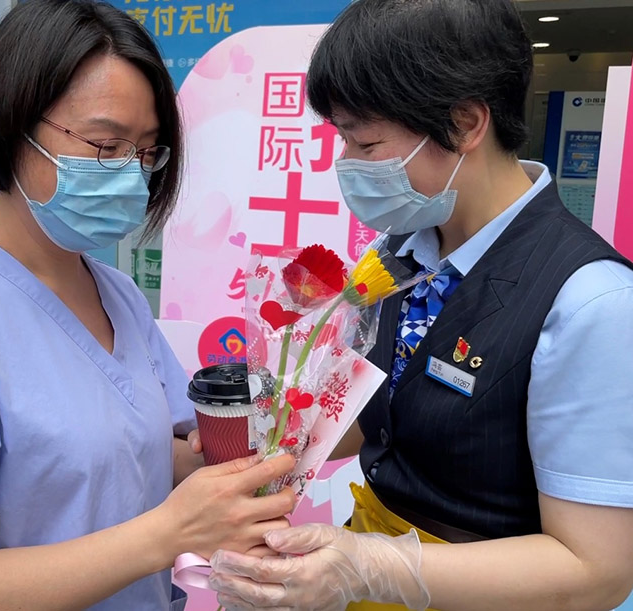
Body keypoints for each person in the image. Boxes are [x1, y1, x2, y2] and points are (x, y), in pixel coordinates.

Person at [0, 2, 295, 610]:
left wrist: (268, 454)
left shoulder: (118, 295)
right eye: (106, 146)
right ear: (13, 127)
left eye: (146, 153)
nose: (130, 176)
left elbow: (136, 453)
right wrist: (169, 533)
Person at [208, 1, 633, 609]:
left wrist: (371, 565)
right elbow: (383, 416)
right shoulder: (401, 254)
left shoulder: (591, 302)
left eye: (366, 141)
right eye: (342, 139)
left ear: (465, 123)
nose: (346, 164)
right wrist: (258, 436)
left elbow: (596, 570)